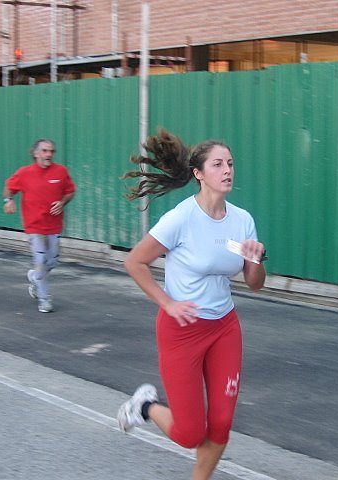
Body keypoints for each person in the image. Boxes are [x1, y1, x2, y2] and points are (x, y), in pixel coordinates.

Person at [117, 129, 267, 480]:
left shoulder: (242, 220)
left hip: (224, 328)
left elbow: (255, 283)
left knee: (222, 424)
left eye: (230, 163)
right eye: (218, 164)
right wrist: (167, 303)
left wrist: (256, 259)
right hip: (181, 331)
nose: (227, 170)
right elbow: (134, 262)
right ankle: (145, 406)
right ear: (199, 173)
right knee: (190, 434)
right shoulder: (181, 218)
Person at [3, 139, 76, 313]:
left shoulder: (60, 171)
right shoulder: (25, 173)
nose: (49, 154)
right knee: (41, 260)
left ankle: (34, 277)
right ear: (35, 153)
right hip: (34, 225)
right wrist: (8, 201)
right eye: (45, 151)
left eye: (51, 151)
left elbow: (70, 191)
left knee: (52, 261)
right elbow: (9, 187)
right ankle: (45, 300)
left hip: (54, 224)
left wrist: (62, 202)